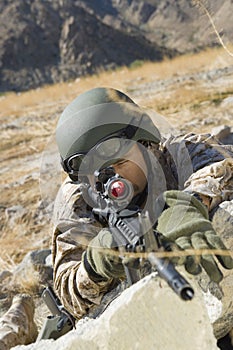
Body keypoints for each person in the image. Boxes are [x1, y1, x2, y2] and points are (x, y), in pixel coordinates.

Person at [0, 87, 232, 348]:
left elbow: (222, 165)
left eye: (121, 162)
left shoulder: (179, 153)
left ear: (146, 145)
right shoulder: (76, 197)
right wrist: (96, 262)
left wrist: (189, 204)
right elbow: (68, 291)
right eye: (96, 172)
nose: (116, 181)